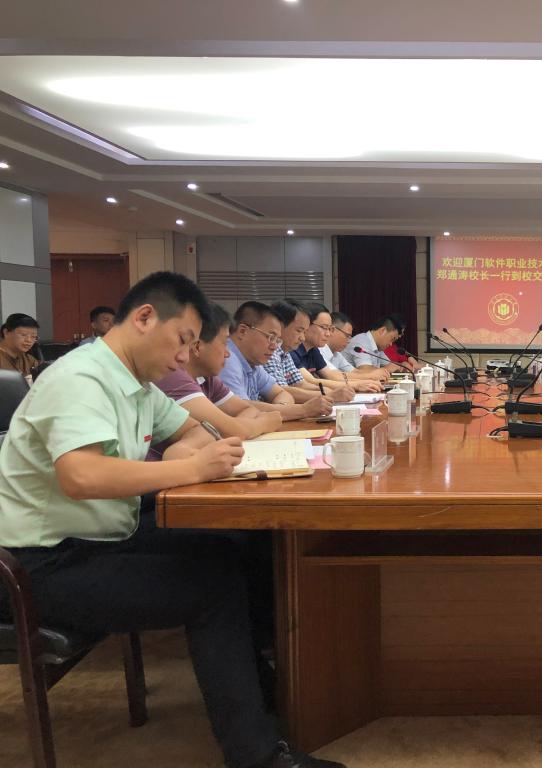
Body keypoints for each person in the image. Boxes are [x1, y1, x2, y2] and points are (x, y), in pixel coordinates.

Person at [0, 271, 345, 768]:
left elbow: (196, 430)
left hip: (103, 533)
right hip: (40, 564)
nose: (186, 357)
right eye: (183, 339)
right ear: (144, 317)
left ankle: (268, 694)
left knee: (236, 543)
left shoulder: (136, 382)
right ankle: (257, 755)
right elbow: (81, 475)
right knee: (212, 587)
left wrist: (184, 455)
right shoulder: (81, 378)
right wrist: (190, 468)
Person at [151, 304, 283, 454]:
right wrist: (263, 423)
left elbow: (246, 409)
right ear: (197, 347)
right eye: (225, 343)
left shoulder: (207, 377)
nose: (228, 353)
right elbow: (234, 431)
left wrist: (238, 426)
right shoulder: (173, 377)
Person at [220, 301, 333, 421]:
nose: (274, 347)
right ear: (243, 331)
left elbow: (281, 393)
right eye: (270, 337)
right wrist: (302, 410)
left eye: (277, 340)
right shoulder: (227, 360)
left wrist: (281, 409)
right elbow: (240, 408)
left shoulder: (253, 362)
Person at [263, 300, 353, 403]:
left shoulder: (285, 352)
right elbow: (280, 391)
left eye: (304, 332)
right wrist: (328, 395)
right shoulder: (270, 351)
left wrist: (327, 391)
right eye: (299, 330)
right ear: (279, 326)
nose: (302, 338)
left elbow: (299, 383)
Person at [319, 311, 388, 389]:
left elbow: (355, 372)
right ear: (332, 330)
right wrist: (369, 376)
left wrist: (373, 375)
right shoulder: (319, 351)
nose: (349, 341)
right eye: (347, 336)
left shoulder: (337, 354)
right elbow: (334, 376)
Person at [0, 312, 39, 377]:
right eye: (23, 335)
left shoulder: (30, 360)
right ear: (6, 332)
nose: (29, 340)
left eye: (33, 337)